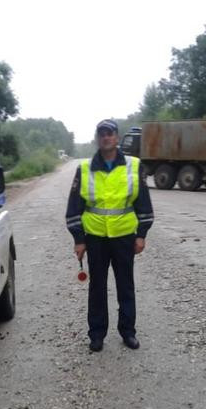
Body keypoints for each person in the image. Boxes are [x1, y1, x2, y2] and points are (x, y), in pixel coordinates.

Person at [65, 119, 154, 352]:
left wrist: (141, 235)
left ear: (117, 137)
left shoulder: (134, 166)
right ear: (97, 138)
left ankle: (128, 332)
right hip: (95, 237)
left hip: (124, 236)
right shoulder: (84, 169)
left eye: (110, 133)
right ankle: (96, 334)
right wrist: (79, 239)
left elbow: (144, 203)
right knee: (97, 287)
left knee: (126, 286)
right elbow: (74, 206)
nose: (106, 137)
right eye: (102, 134)